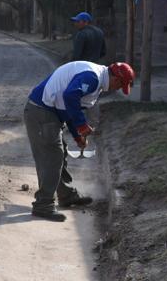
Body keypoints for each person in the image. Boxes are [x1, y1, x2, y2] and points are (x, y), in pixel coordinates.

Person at [24, 61, 134, 221]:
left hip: (47, 112)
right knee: (52, 156)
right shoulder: (93, 77)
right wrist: (82, 126)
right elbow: (69, 96)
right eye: (119, 85)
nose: (117, 89)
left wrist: (77, 135)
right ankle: (43, 205)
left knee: (57, 155)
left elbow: (70, 107)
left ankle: (65, 195)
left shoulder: (96, 81)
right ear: (116, 78)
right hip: (41, 112)